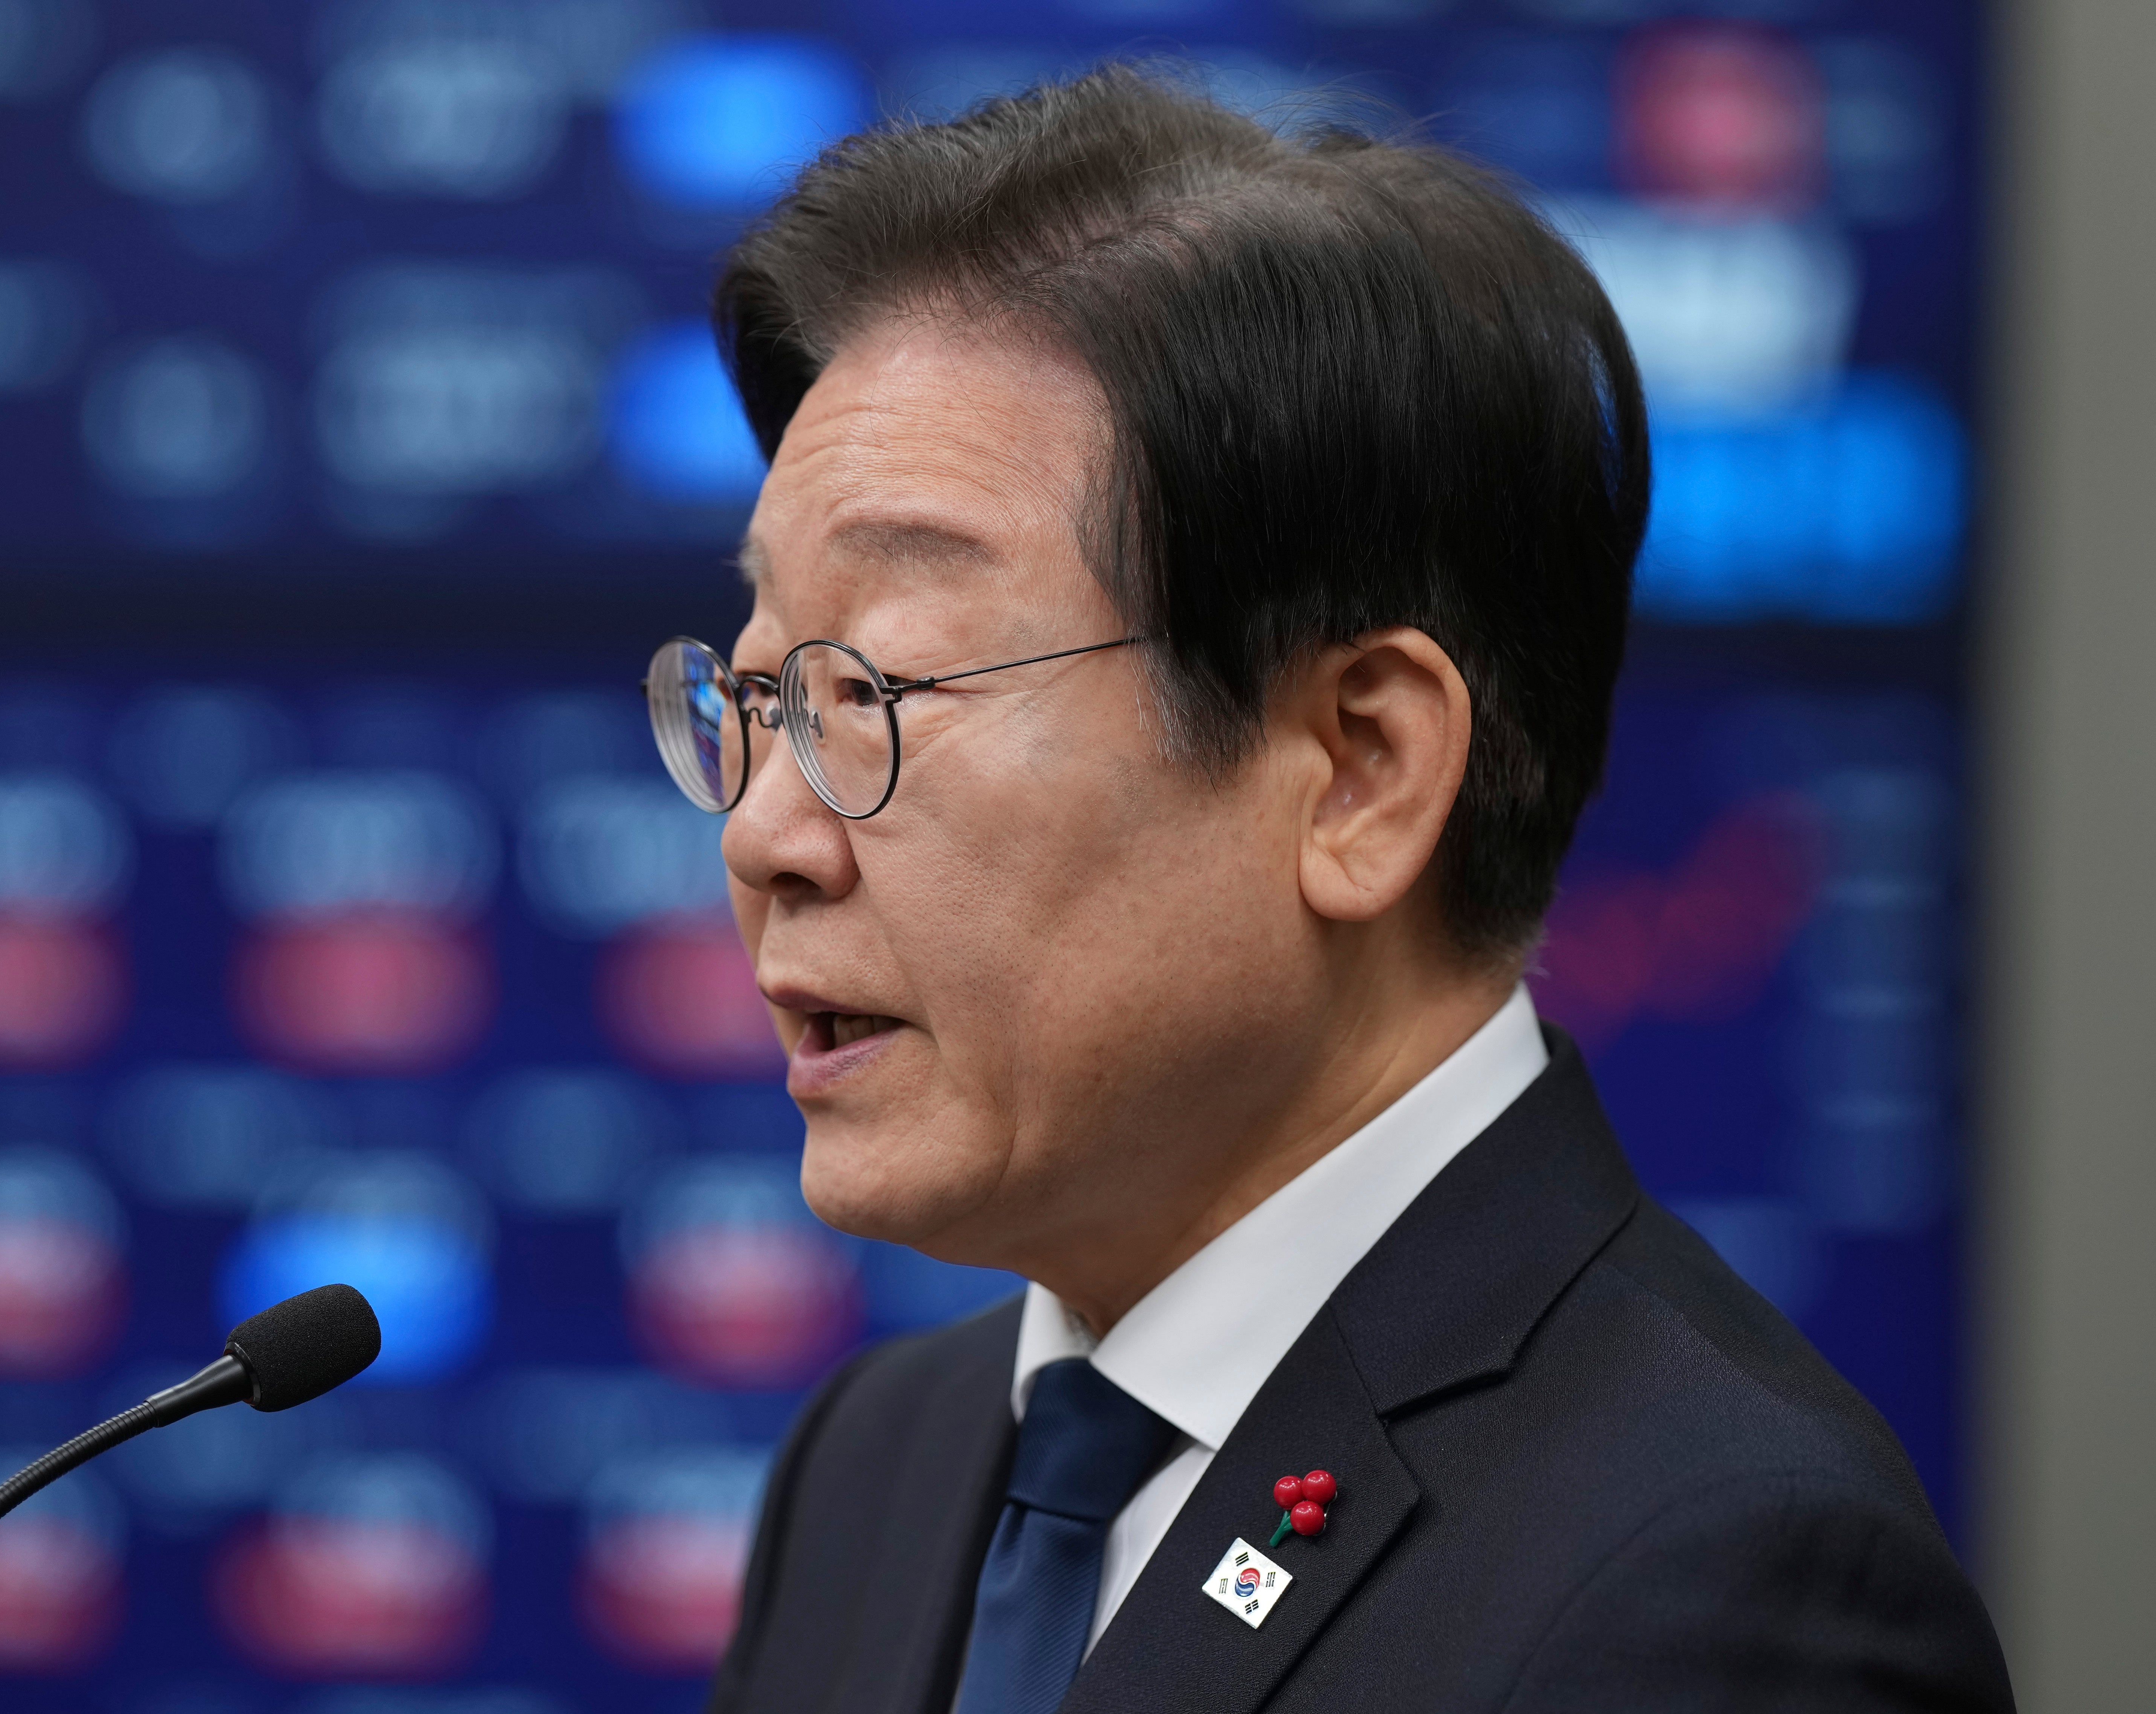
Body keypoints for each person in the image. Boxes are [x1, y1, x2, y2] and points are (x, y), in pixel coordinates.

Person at [641, 68, 2011, 1714]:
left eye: (883, 690)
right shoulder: (880, 1463)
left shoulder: (1720, 1582)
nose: (763, 834)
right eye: (763, 693)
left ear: (1361, 768)